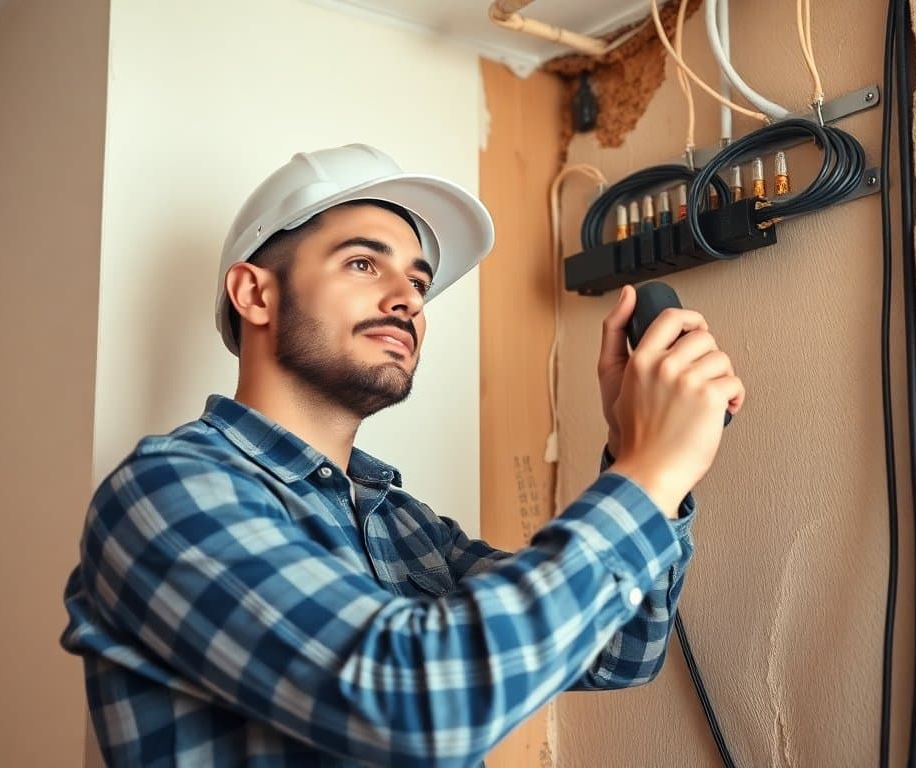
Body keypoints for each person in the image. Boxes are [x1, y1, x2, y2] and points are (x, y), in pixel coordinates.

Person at [60, 144, 744, 767]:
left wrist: (637, 450)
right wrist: (648, 472)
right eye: (363, 263)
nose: (407, 300)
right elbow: (413, 705)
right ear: (255, 294)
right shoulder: (166, 492)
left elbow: (621, 652)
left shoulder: (406, 526)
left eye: (418, 282)